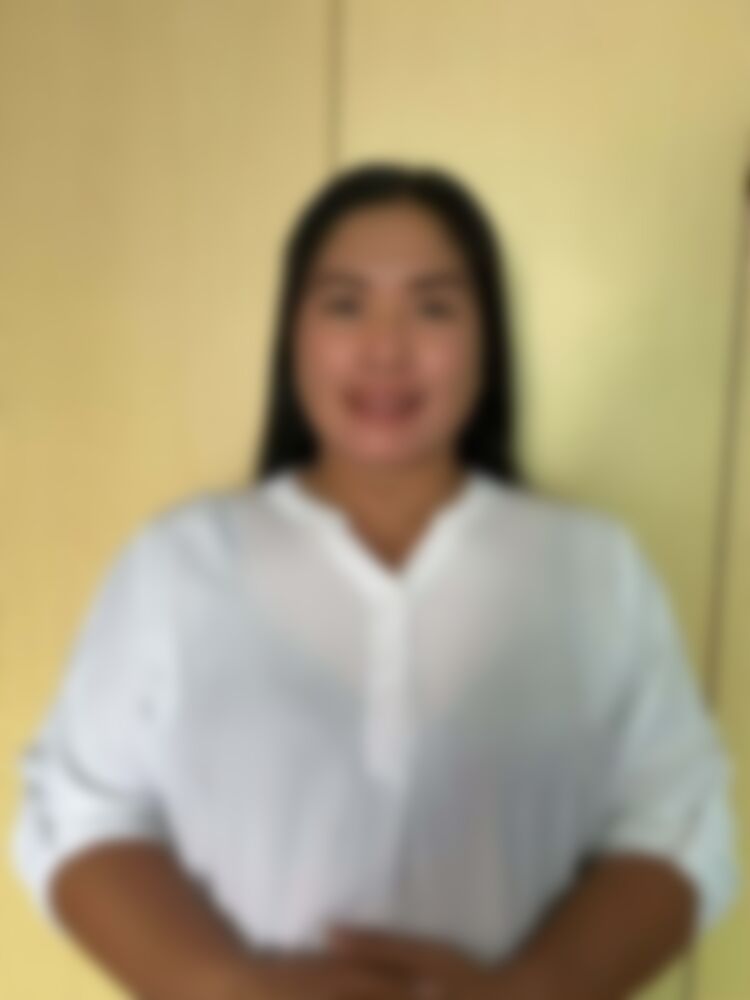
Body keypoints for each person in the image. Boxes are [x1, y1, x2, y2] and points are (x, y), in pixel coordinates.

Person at [8, 162, 741, 1000]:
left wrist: (531, 993)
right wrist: (235, 988)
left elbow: (679, 822)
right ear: (294, 337)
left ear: (487, 343)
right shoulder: (179, 564)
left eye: (433, 307)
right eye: (345, 304)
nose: (386, 348)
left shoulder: (592, 567)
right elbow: (79, 813)